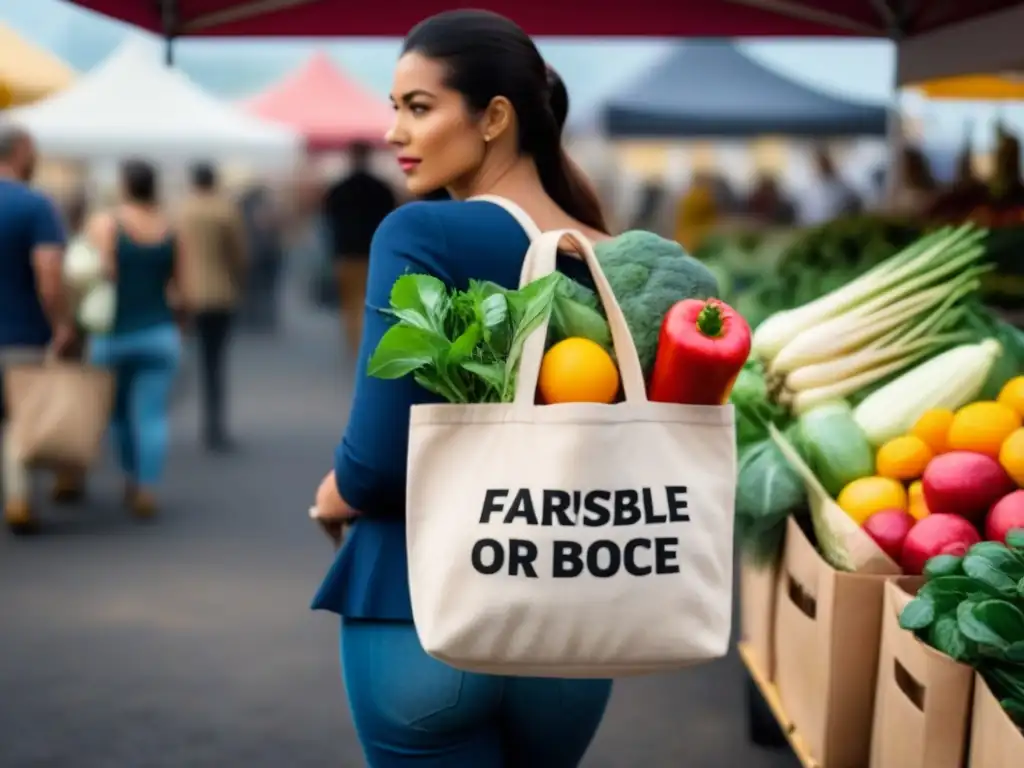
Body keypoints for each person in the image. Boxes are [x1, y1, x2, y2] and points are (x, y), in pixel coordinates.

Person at [309, 11, 616, 766]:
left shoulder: (420, 235)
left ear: (495, 119)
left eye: (418, 107)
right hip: (573, 622)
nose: (393, 133)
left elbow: (379, 462)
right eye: (394, 110)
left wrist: (333, 493)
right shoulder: (615, 255)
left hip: (423, 614)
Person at [85, 160, 185, 518]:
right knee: (152, 415)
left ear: (124, 185)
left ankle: (129, 477)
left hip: (113, 333)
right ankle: (147, 486)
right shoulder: (170, 227)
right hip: (159, 331)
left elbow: (99, 272)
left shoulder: (107, 224)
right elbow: (179, 286)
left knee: (118, 416)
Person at [0, 124, 74, 531]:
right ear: (21, 151)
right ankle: (18, 500)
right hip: (21, 335)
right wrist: (61, 323)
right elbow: (48, 271)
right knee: (18, 420)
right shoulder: (34, 206)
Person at [178, 163, 246, 452]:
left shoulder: (182, 211)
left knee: (200, 358)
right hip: (221, 293)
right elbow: (240, 253)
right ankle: (215, 424)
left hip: (190, 293)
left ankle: (205, 420)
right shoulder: (225, 210)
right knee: (216, 361)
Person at [322, 141, 397, 354]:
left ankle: (356, 343)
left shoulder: (339, 189)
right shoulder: (381, 188)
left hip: (346, 253)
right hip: (375, 254)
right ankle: (371, 341)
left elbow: (328, 220)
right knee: (373, 300)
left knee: (350, 303)